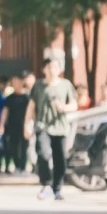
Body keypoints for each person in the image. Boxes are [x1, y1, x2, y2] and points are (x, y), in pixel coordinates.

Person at [32, 56, 79, 201]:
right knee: (43, 153)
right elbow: (31, 106)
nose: (52, 70)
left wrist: (63, 108)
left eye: (55, 67)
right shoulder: (38, 86)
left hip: (60, 127)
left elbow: (74, 105)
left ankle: (57, 189)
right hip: (43, 126)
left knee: (60, 159)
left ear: (59, 69)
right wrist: (27, 125)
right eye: (50, 67)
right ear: (44, 69)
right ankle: (46, 184)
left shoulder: (65, 85)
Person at [3, 71, 32, 174]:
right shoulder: (9, 98)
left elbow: (33, 110)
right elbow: (5, 112)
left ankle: (23, 167)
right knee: (13, 147)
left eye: (17, 82)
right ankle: (17, 165)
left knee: (24, 147)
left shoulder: (28, 96)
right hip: (12, 125)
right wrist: (1, 125)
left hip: (25, 125)